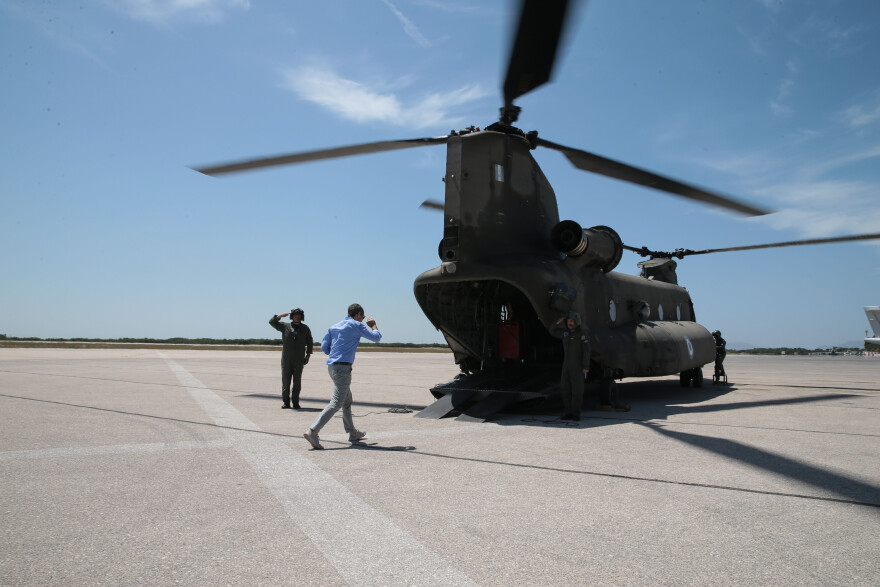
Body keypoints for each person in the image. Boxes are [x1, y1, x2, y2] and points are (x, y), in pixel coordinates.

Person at [303, 304, 381, 450]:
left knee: (347, 400)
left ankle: (352, 432)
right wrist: (373, 325)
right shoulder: (357, 325)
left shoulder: (334, 327)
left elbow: (324, 347)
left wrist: (337, 352)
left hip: (332, 367)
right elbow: (376, 338)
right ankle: (313, 431)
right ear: (358, 314)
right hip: (343, 369)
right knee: (336, 403)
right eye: (362, 317)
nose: (362, 320)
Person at [269, 308, 313, 409]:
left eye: (299, 315)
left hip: (299, 359)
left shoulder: (305, 328)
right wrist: (279, 317)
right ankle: (286, 402)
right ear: (292, 316)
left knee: (297, 382)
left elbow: (310, 341)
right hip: (286, 359)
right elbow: (271, 322)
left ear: (302, 317)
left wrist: (308, 355)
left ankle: (295, 402)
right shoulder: (285, 326)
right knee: (286, 381)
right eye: (295, 315)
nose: (297, 317)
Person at [553, 312, 590, 421]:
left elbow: (586, 352)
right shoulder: (565, 334)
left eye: (572, 321)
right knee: (565, 389)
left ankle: (576, 413)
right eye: (568, 321)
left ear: (577, 322)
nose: (570, 323)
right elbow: (552, 331)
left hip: (577, 366)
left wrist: (585, 366)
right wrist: (557, 323)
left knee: (577, 391)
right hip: (566, 366)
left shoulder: (582, 334)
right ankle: (568, 412)